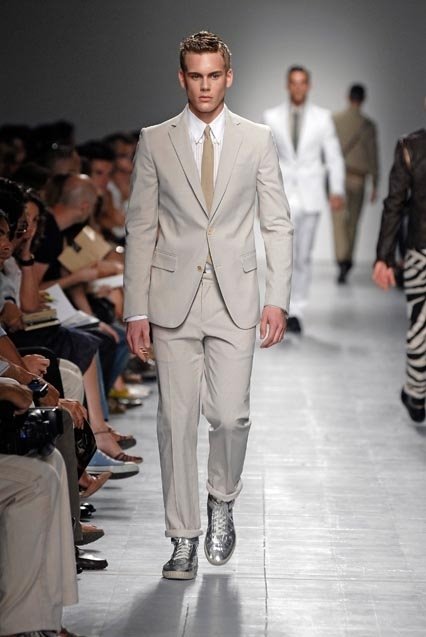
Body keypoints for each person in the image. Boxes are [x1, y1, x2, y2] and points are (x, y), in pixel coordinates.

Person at [125, 30, 293, 580]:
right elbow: (140, 226)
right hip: (171, 298)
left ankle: (222, 497)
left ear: (229, 77)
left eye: (213, 75)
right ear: (182, 78)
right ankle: (182, 538)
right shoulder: (155, 141)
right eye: (195, 76)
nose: (204, 86)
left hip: (235, 298)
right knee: (175, 423)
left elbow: (276, 222)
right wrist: (135, 309)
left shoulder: (257, 139)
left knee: (229, 416)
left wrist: (277, 300)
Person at [263, 65, 344, 333]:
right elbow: (263, 157)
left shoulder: (323, 118)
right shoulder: (271, 116)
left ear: (308, 86)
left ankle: (296, 309)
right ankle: (280, 305)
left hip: (310, 194)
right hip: (282, 193)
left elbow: (333, 155)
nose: (298, 87)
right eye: (293, 82)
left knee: (303, 256)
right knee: (280, 253)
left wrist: (337, 189)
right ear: (287, 85)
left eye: (302, 82)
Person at [373, 125, 426, 422]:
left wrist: (384, 257)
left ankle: (416, 393)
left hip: (420, 252)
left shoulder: (411, 146)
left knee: (420, 322)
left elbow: (395, 203)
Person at [333, 84, 379, 283]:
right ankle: (347, 260)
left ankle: (341, 259)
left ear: (347, 96)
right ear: (363, 98)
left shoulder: (335, 120)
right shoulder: (368, 125)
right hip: (359, 179)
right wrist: (375, 182)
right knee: (353, 222)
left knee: (338, 222)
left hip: (338, 178)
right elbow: (373, 156)